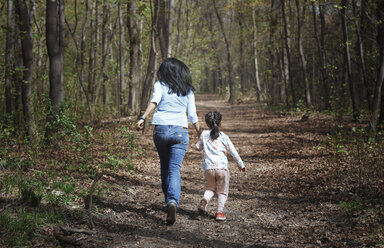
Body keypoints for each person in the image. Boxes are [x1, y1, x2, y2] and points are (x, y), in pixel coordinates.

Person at [136, 58, 200, 225]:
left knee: (164, 167)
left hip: (161, 129)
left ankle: (169, 202)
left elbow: (154, 101)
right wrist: (200, 133)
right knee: (174, 169)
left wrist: (143, 117)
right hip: (180, 131)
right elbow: (192, 115)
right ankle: (173, 201)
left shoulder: (160, 85)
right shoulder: (188, 90)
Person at [196, 111, 246, 221]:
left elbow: (198, 147)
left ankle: (205, 198)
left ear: (206, 123)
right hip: (222, 170)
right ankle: (219, 212)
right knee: (222, 191)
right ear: (221, 123)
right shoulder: (224, 137)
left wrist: (201, 139)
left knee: (210, 188)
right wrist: (241, 165)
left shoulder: (204, 134)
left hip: (209, 169)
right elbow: (233, 152)